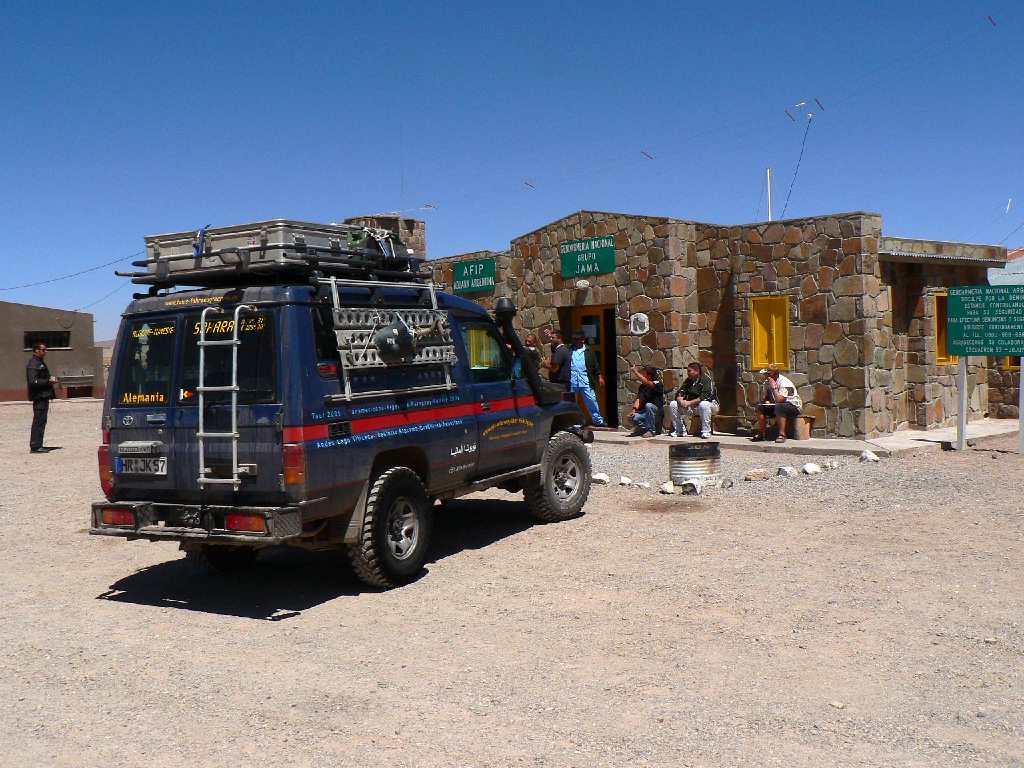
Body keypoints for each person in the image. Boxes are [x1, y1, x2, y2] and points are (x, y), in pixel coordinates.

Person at [753, 364, 802, 443]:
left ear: (774, 375)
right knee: (760, 408)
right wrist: (766, 401)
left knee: (780, 406)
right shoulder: (768, 382)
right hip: (778, 405)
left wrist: (774, 388)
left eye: (768, 374)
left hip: (793, 407)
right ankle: (761, 433)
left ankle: (782, 435)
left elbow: (780, 400)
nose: (766, 376)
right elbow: (768, 397)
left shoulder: (785, 383)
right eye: (766, 374)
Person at [669, 362, 719, 439]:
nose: (687, 373)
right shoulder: (688, 381)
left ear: (697, 371)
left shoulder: (706, 379)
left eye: (689, 371)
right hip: (692, 407)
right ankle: (680, 431)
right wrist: (681, 401)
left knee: (704, 404)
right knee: (673, 404)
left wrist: (689, 402)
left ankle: (706, 431)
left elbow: (705, 396)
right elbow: (679, 393)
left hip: (710, 406)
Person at [26, 342, 59, 453]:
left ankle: (38, 444)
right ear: (36, 351)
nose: (45, 352)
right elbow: (33, 381)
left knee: (42, 421)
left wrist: (49, 379)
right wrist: (48, 381)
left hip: (43, 396)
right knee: (38, 421)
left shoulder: (39, 362)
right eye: (43, 350)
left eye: (45, 349)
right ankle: (35, 446)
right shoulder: (34, 363)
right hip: (39, 397)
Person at [568, 331, 606, 426]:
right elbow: (556, 347)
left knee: (591, 400)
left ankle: (597, 421)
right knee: (571, 402)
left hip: (585, 380)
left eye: (578, 339)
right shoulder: (569, 349)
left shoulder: (589, 351)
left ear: (583, 340)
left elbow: (595, 366)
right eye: (574, 339)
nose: (576, 341)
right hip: (572, 381)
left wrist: (600, 377)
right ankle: (575, 422)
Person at [628, 364, 664, 437]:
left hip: (656, 412)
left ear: (649, 375)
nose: (642, 376)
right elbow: (639, 399)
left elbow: (648, 383)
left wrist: (636, 372)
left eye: (643, 374)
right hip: (645, 413)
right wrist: (633, 410)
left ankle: (651, 431)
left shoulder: (657, 383)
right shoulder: (642, 387)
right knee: (633, 417)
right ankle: (643, 429)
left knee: (649, 405)